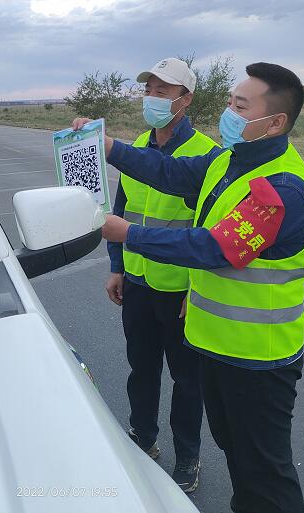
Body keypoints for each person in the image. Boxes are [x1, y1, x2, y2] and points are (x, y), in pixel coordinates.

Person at [74, 62, 304, 513]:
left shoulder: (285, 189)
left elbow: (214, 247)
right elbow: (167, 172)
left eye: (240, 107)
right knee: (238, 456)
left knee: (265, 472)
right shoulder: (229, 160)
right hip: (216, 344)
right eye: (230, 101)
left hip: (258, 358)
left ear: (275, 123)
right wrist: (109, 146)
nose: (228, 113)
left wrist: (129, 234)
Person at [106, 58, 216, 493]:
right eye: (148, 90)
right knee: (142, 369)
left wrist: (197, 290)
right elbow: (121, 212)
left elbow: (210, 232)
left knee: (187, 381)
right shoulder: (136, 147)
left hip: (179, 290)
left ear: (185, 100)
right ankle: (143, 438)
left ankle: (188, 455)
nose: (151, 98)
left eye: (162, 91)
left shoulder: (206, 155)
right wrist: (117, 267)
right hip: (137, 282)